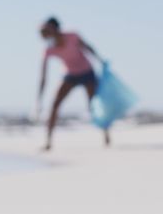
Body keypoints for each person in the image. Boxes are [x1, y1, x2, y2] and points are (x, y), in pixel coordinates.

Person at [37, 17, 110, 151]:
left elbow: (88, 48)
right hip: (70, 75)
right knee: (54, 105)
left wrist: (101, 60)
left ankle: (105, 134)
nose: (44, 36)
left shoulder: (72, 36)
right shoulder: (49, 49)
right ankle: (48, 142)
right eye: (42, 33)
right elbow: (43, 76)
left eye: (46, 31)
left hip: (87, 73)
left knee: (94, 106)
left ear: (55, 30)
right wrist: (39, 99)